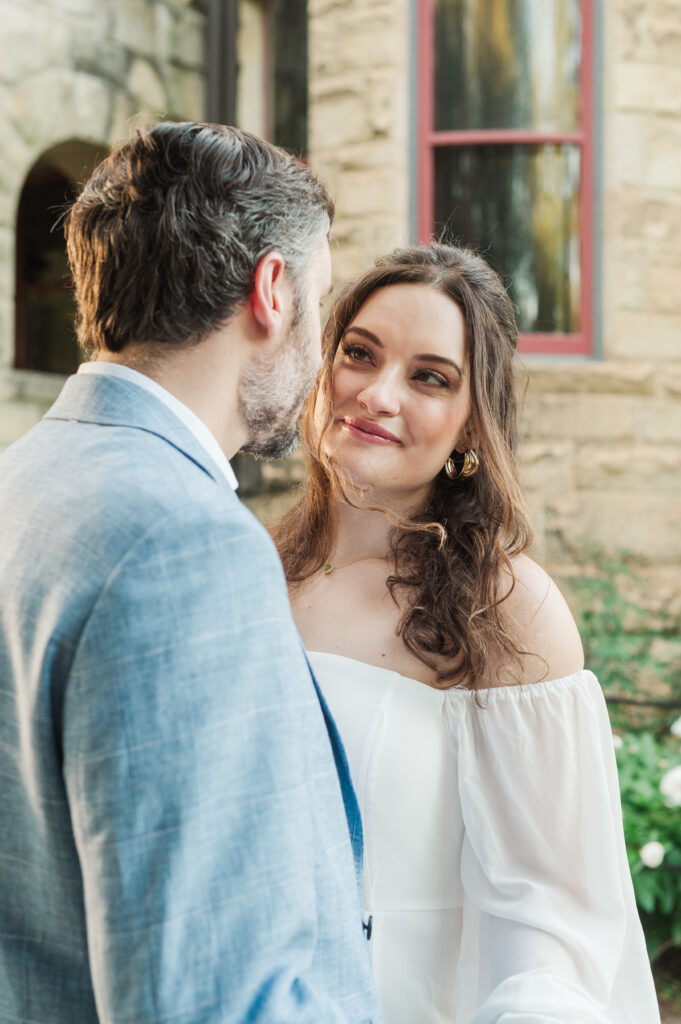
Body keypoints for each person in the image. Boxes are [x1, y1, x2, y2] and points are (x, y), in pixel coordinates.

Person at [0, 122, 381, 1023]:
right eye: (321, 302)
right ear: (273, 290)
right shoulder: (185, 543)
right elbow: (206, 998)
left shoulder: (19, 483)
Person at [274, 242, 661, 1023]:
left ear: (470, 423)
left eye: (429, 377)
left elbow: (550, 918)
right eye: (359, 353)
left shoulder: (504, 607)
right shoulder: (248, 566)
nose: (377, 394)